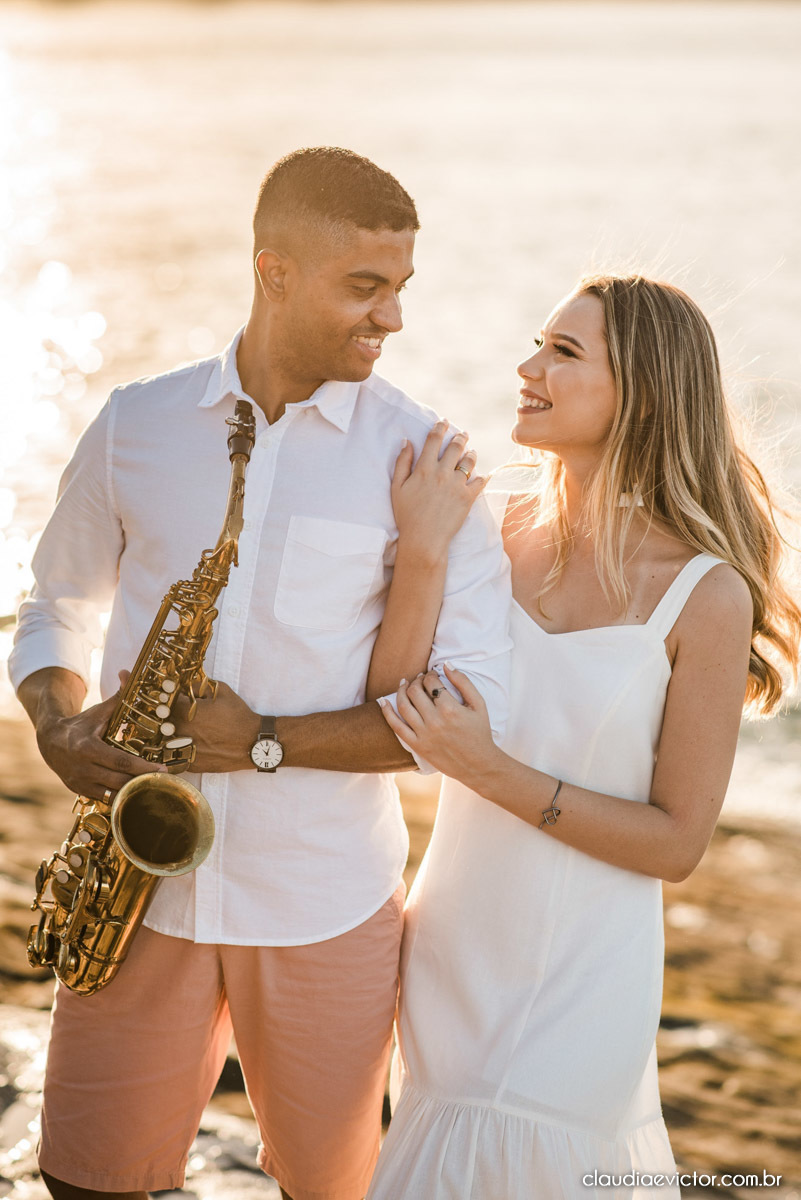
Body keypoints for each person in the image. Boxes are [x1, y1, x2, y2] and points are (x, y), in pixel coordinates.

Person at [9, 147, 512, 1200]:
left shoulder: (421, 457)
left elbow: (467, 704)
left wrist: (265, 738)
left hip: (323, 900)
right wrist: (58, 729)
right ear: (272, 270)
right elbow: (56, 603)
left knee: (328, 1190)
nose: (393, 319)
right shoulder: (135, 425)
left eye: (402, 287)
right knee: (85, 1181)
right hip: (136, 893)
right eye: (364, 287)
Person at [361, 274, 801, 1199]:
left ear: (640, 389)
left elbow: (676, 841)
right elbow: (396, 701)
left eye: (563, 353)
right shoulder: (488, 533)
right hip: (450, 947)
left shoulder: (703, 593)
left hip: (583, 974)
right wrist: (426, 549)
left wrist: (488, 770)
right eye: (536, 344)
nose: (527, 368)